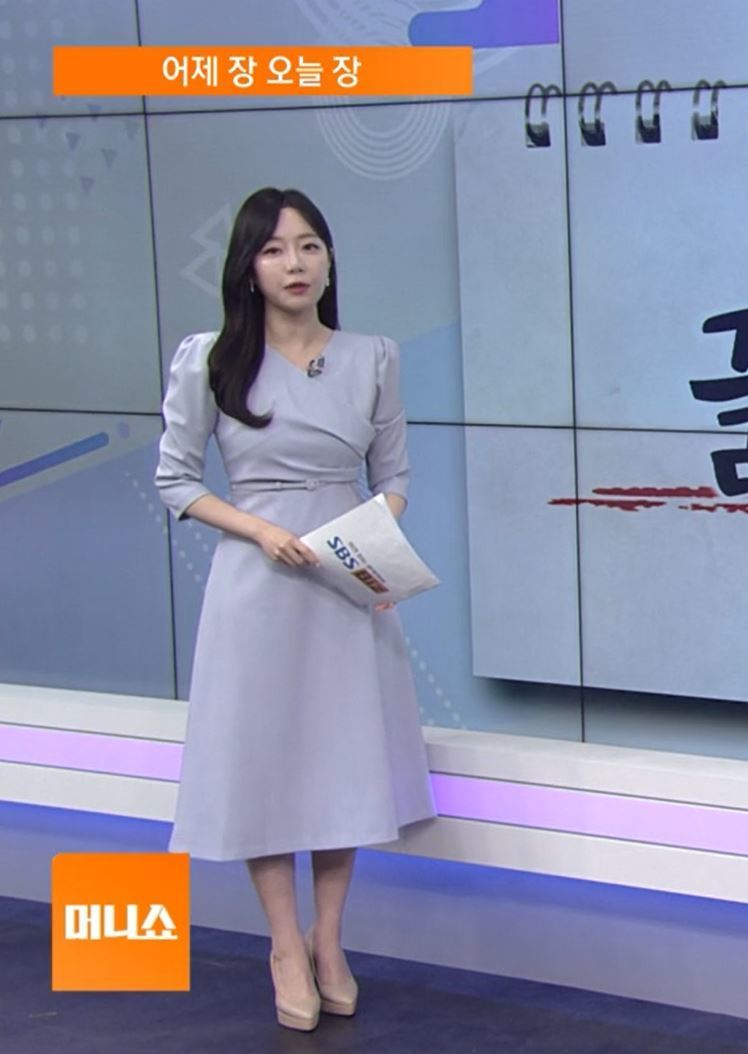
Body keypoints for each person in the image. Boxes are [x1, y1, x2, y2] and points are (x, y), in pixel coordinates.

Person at [154, 187, 437, 1031]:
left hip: (346, 580)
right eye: (275, 250)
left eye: (309, 246)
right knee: (268, 762)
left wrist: (366, 544)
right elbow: (176, 479)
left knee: (341, 757)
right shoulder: (210, 360)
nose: (295, 264)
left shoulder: (372, 356)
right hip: (257, 584)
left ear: (329, 260)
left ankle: (329, 940)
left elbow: (394, 476)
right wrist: (259, 530)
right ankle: (283, 945)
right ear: (247, 268)